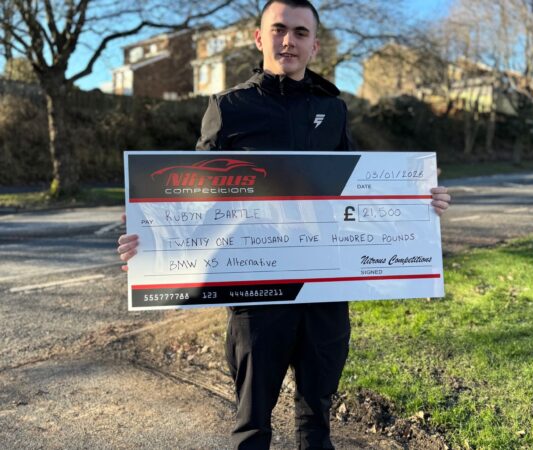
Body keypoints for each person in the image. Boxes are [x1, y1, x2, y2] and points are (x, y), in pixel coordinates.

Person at [117, 1, 452, 448]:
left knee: (317, 424)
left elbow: (355, 191)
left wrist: (417, 201)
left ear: (315, 45)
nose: (288, 41)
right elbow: (194, 199)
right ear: (260, 38)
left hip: (325, 290)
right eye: (278, 29)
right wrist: (149, 236)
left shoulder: (333, 109)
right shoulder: (229, 107)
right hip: (256, 294)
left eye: (300, 32)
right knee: (252, 425)